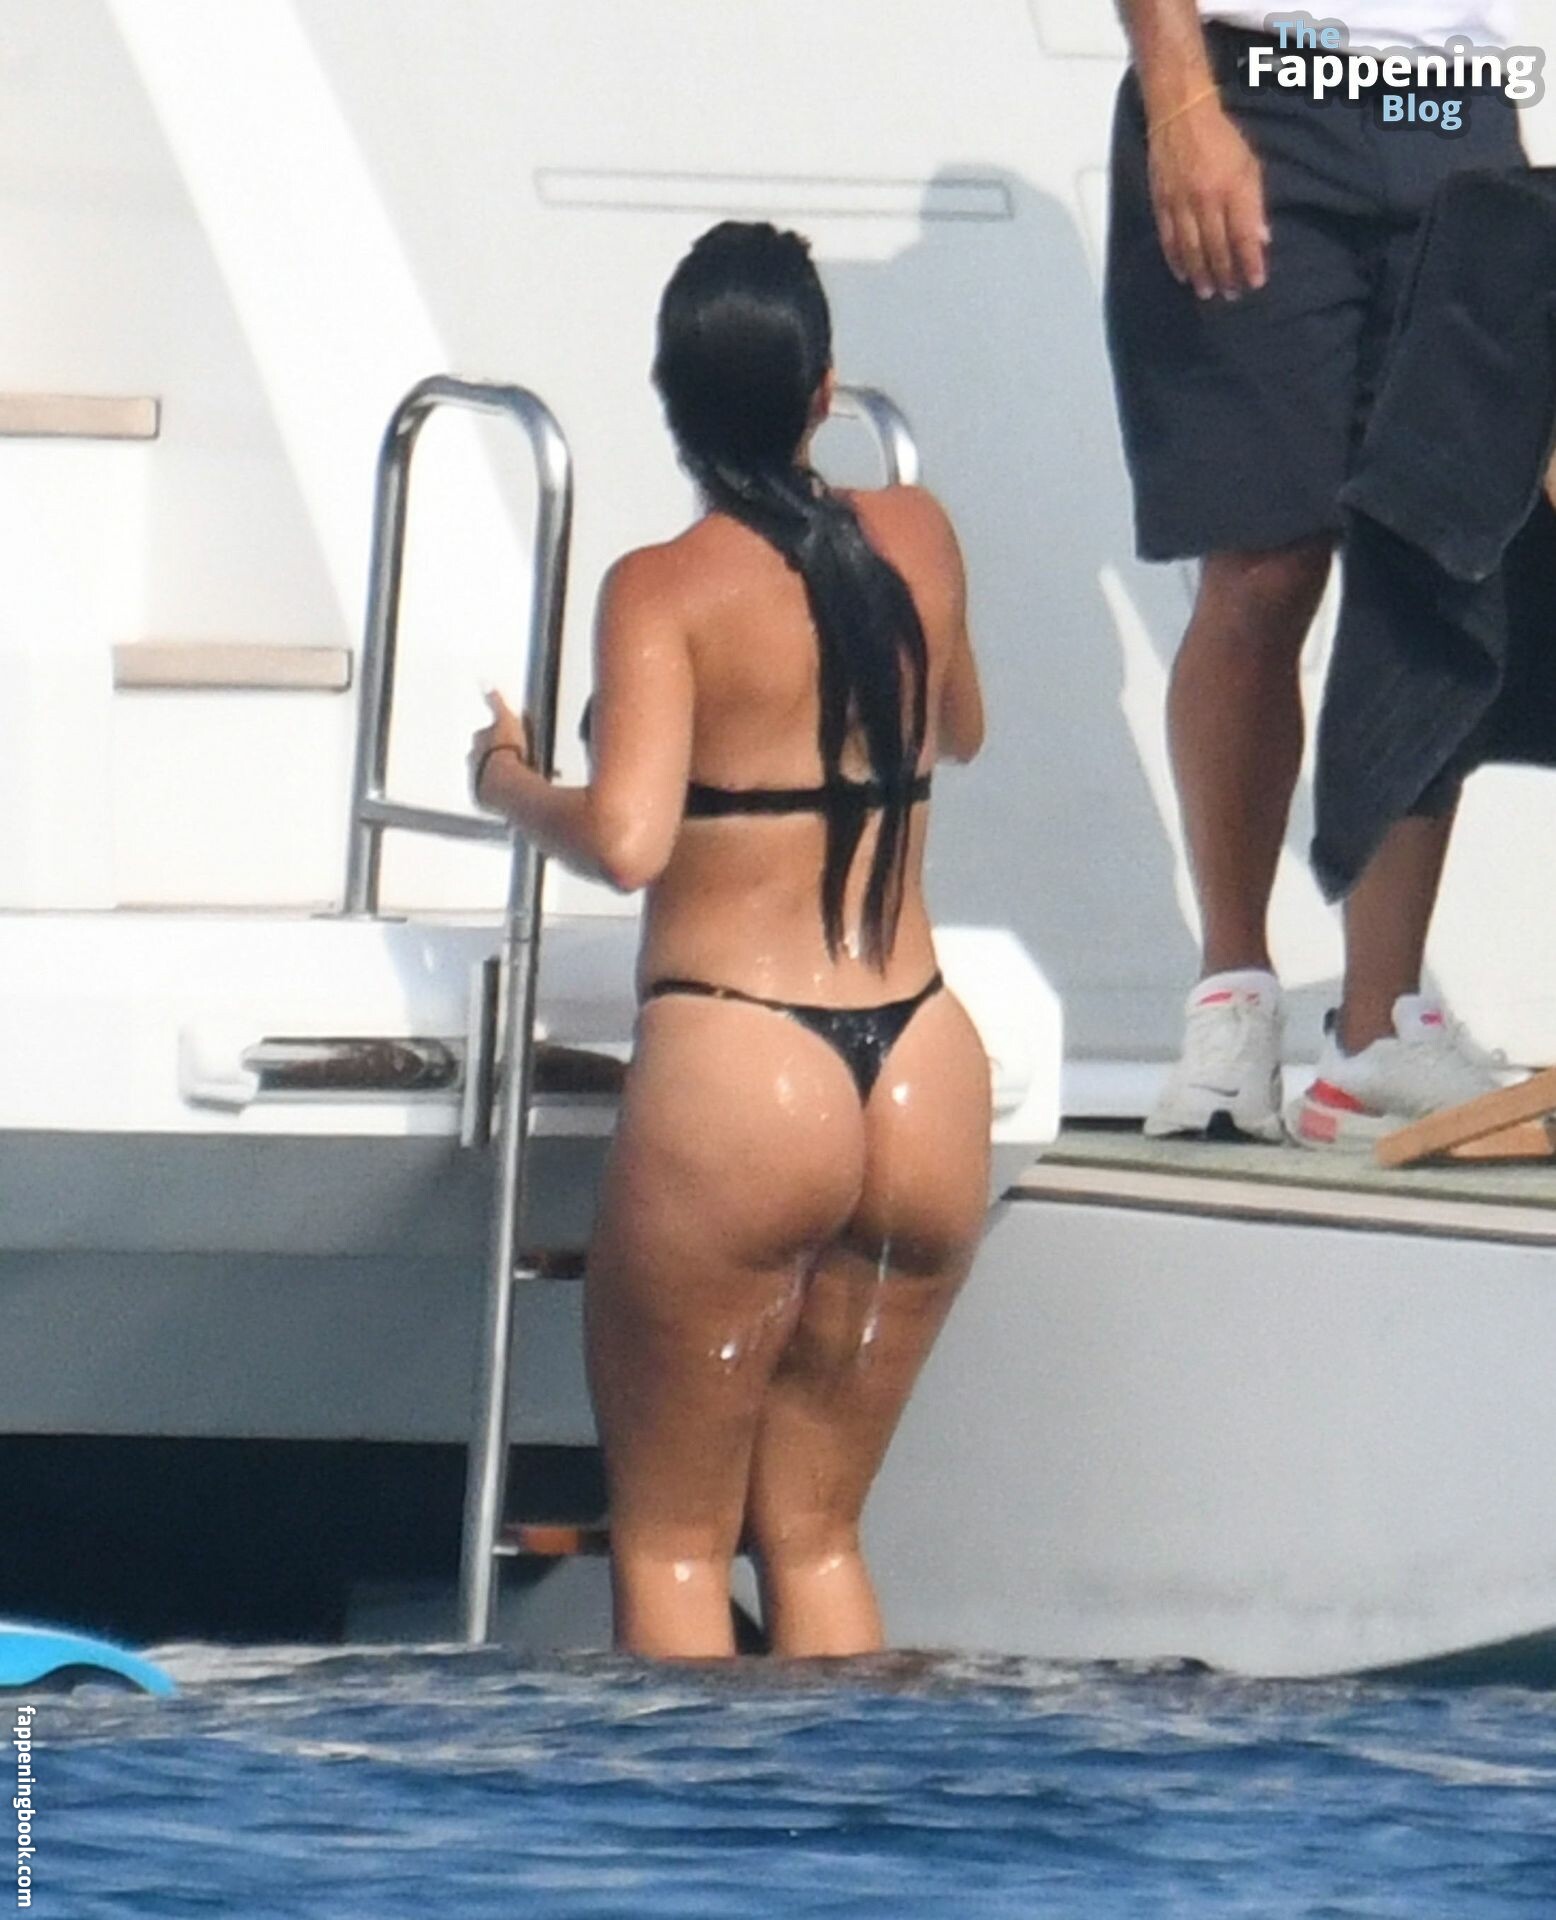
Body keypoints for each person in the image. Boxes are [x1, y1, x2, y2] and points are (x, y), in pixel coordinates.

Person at [470, 221, 990, 1659]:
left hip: (742, 1071)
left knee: (675, 1547)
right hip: (924, 1067)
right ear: (823, 392)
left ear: (670, 401)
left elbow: (629, 840)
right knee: (816, 1537)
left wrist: (508, 779)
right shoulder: (920, 535)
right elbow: (960, 727)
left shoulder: (662, 587)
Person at [1106, 1, 1525, 1147]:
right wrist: (1179, 98)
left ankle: (1375, 1033)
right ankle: (1231, 997)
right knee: (1262, 564)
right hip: (1256, 89)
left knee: (1437, 560)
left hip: (1453, 101)